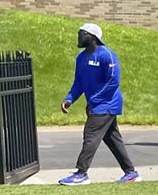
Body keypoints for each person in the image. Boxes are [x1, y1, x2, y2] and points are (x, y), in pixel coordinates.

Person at [58, 23, 138, 185]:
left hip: (107, 104)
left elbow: (113, 81)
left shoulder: (106, 55)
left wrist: (95, 100)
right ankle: (131, 173)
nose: (79, 36)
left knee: (90, 136)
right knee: (112, 139)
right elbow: (79, 82)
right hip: (96, 105)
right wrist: (69, 99)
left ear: (93, 37)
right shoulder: (81, 58)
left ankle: (81, 173)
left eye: (82, 33)